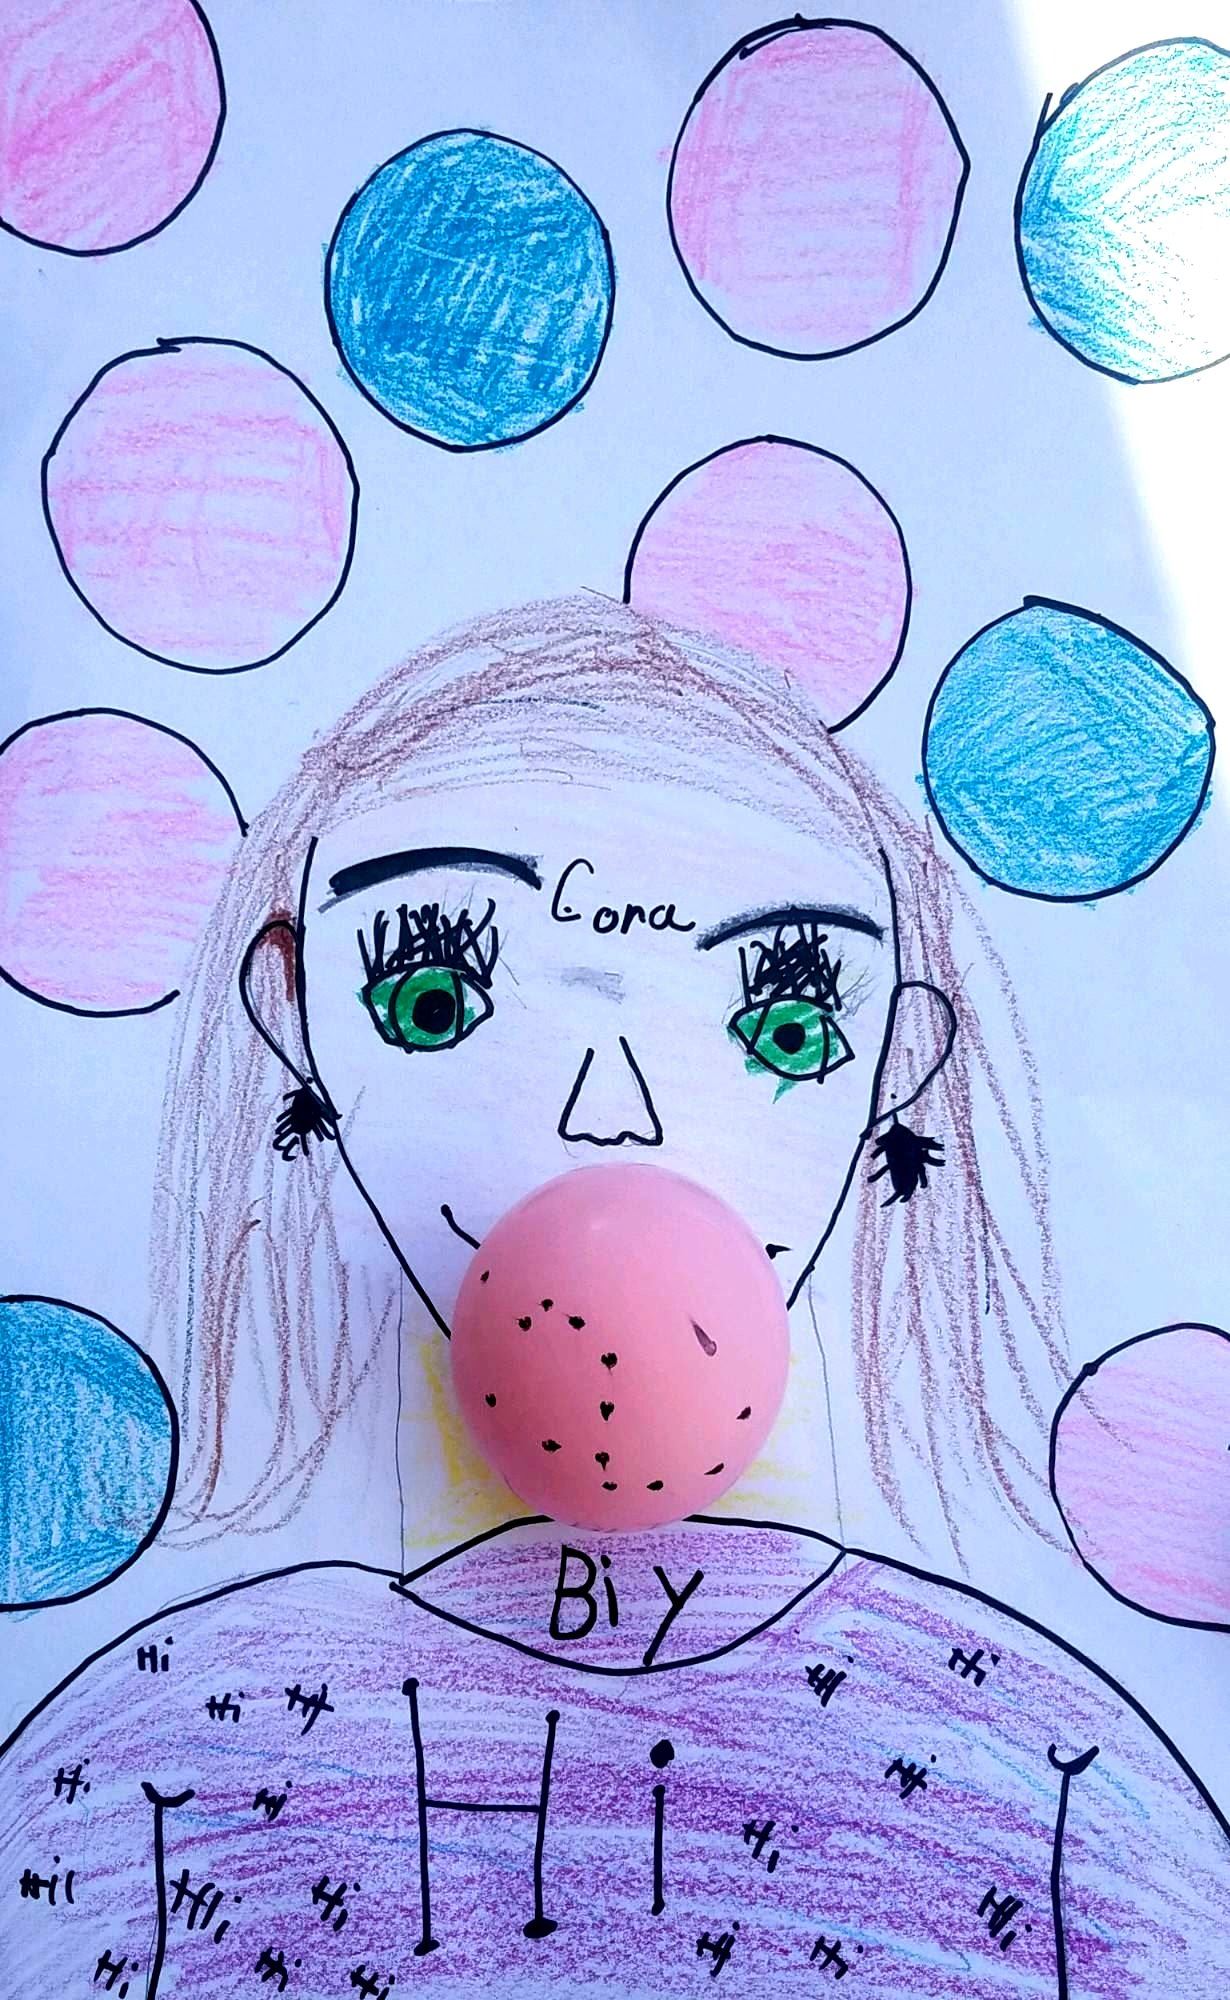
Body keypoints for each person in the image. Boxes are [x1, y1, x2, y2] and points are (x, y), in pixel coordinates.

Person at [4, 598, 1225, 1996]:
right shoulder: (165, 1772)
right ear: (292, 1018)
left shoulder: (1052, 1788)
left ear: (899, 1063)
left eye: (787, 1027)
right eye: (433, 1000)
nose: (610, 1122)